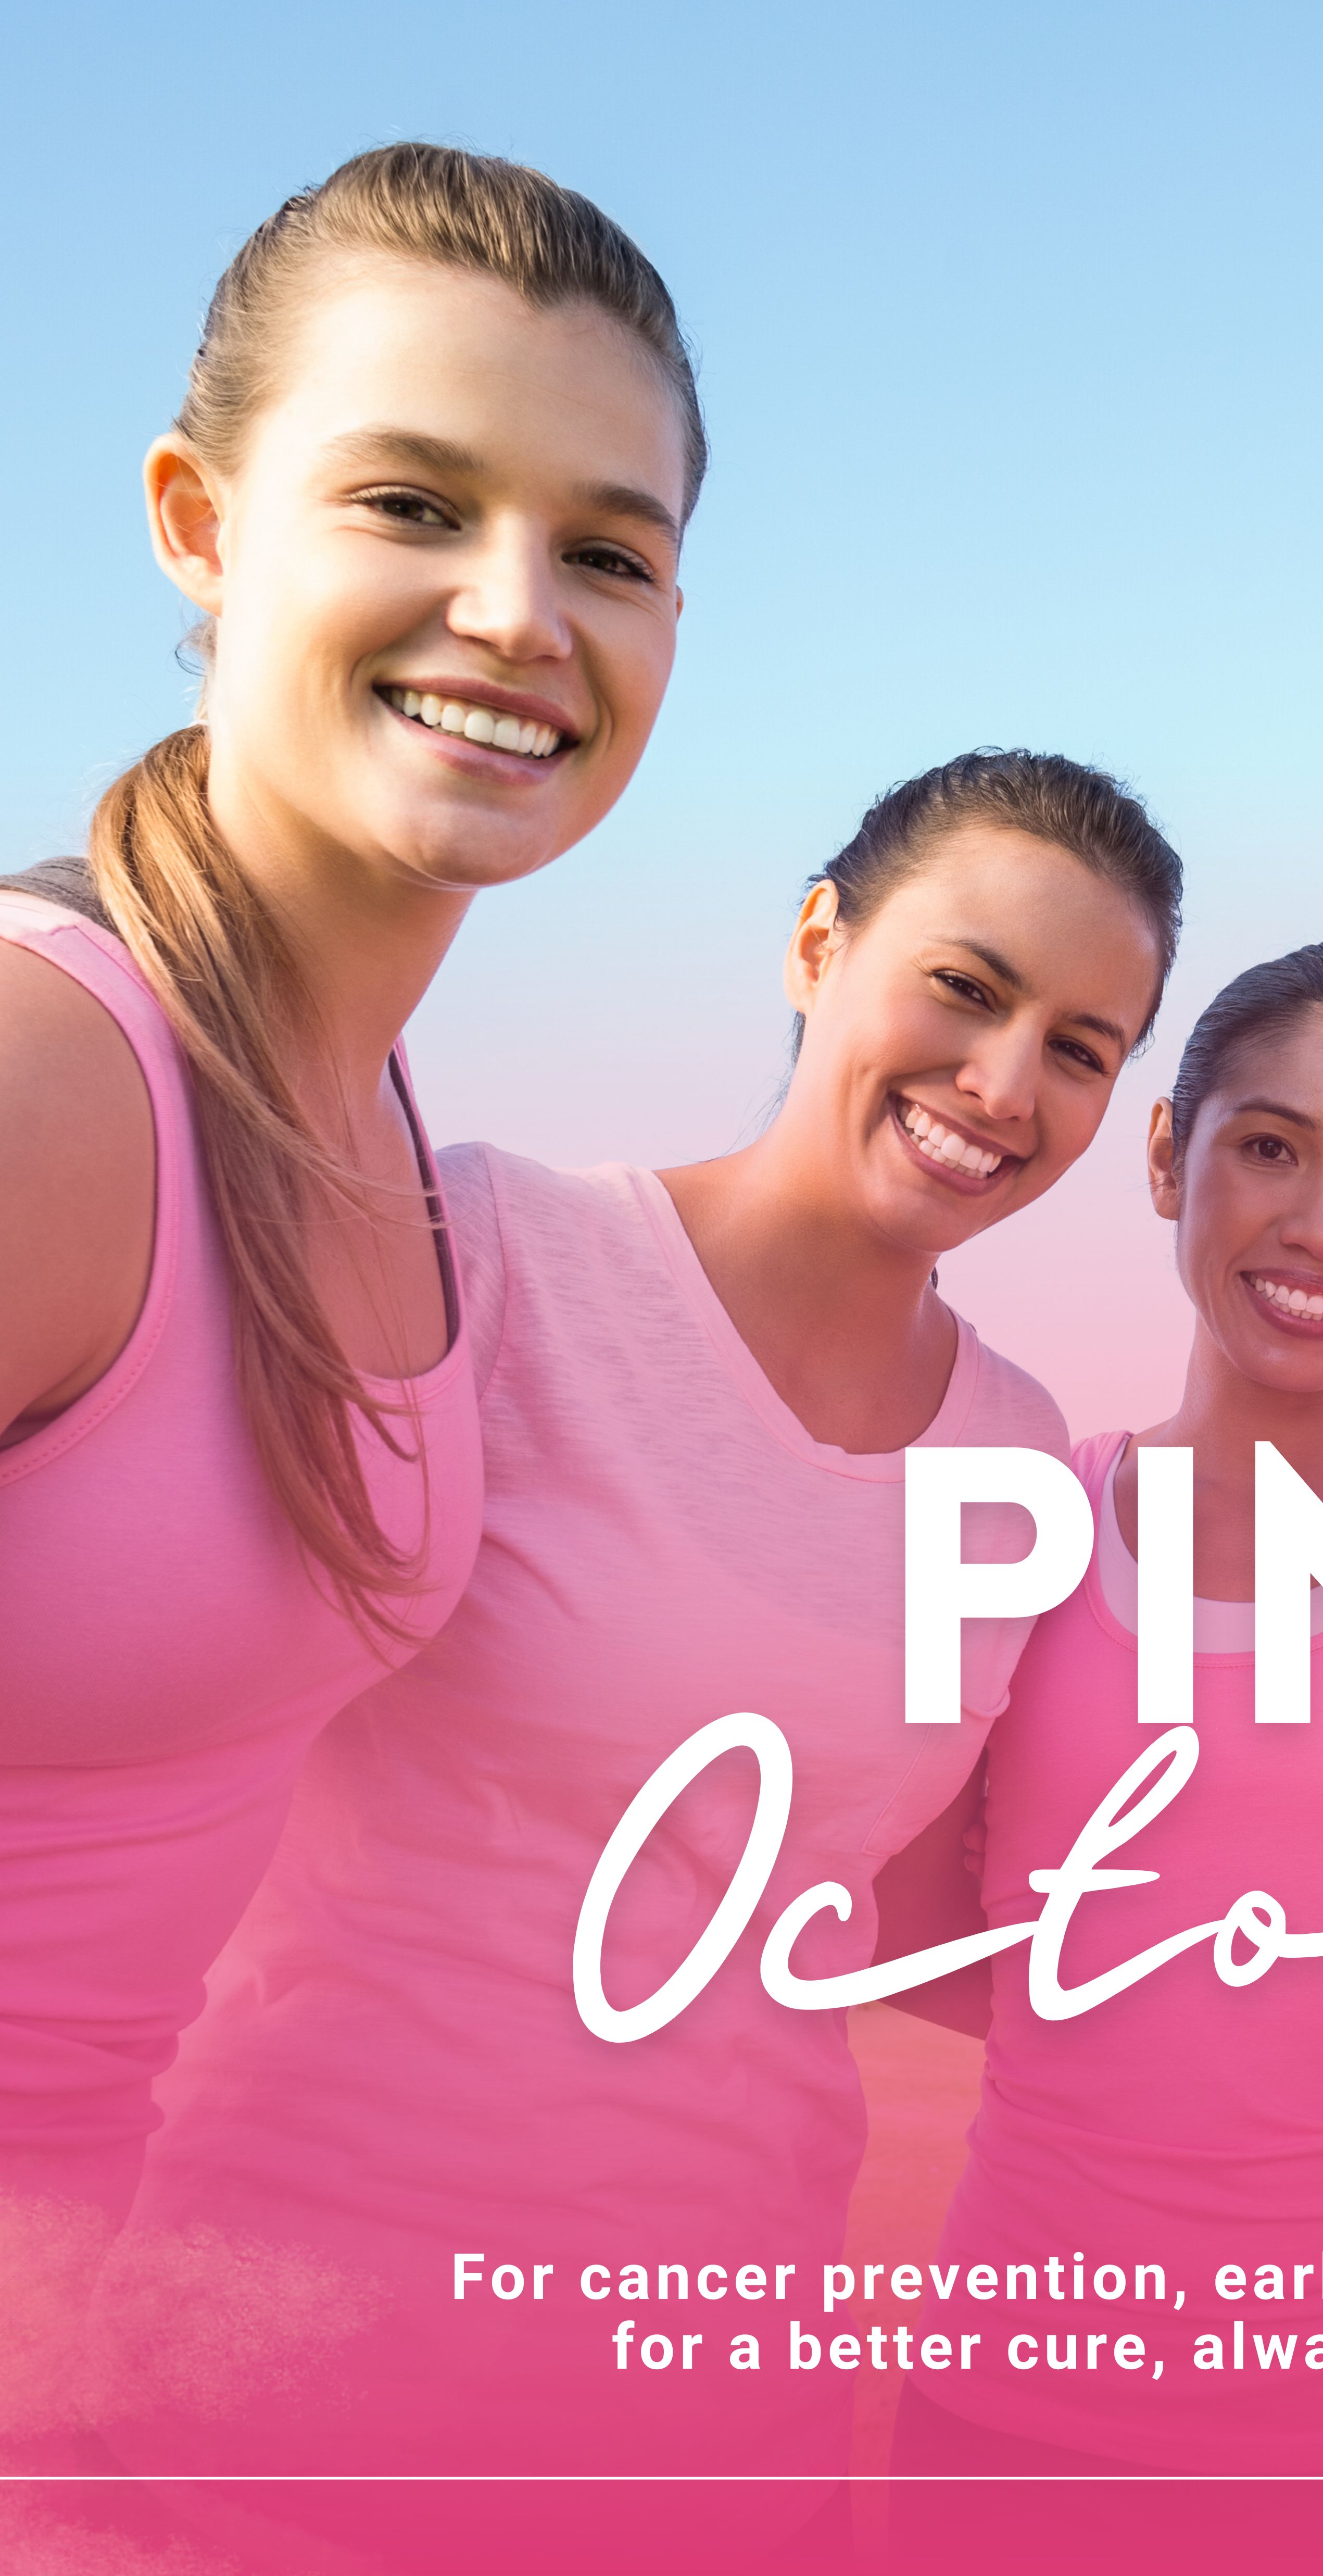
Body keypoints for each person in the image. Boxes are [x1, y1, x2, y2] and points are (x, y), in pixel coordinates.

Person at [109, 755, 1183, 2574]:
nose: (1006, 1086)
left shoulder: (1016, 1458)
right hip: (275, 2403)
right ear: (817, 943)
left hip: (712, 2437)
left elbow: (916, 1911)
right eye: (967, 987)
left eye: (1083, 1046)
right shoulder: (482, 1246)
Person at [0, 141, 696, 2310]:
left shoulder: (375, 1118)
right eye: (413, 503)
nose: (519, 609)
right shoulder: (46, 1079)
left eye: (607, 547)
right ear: (200, 527)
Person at [879, 944, 1323, 2574]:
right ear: (1168, 1153)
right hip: (1016, 2422)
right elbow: (907, 1930)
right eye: (1268, 1146)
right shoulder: (1021, 1524)